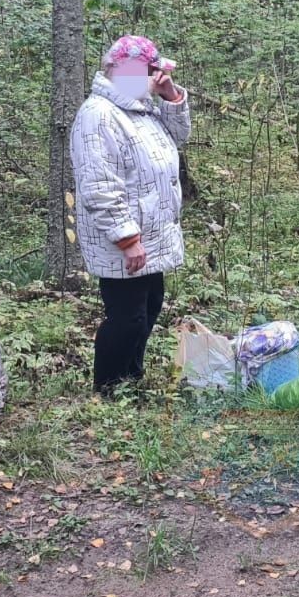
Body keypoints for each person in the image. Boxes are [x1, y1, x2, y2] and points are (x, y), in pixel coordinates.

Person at [70, 35, 190, 394]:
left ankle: (130, 379)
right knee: (127, 317)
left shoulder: (140, 107)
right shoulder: (97, 115)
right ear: (126, 73)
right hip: (123, 241)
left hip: (151, 235)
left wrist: (171, 98)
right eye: (151, 71)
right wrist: (128, 239)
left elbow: (178, 138)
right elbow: (99, 185)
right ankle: (108, 388)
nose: (156, 77)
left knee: (149, 307)